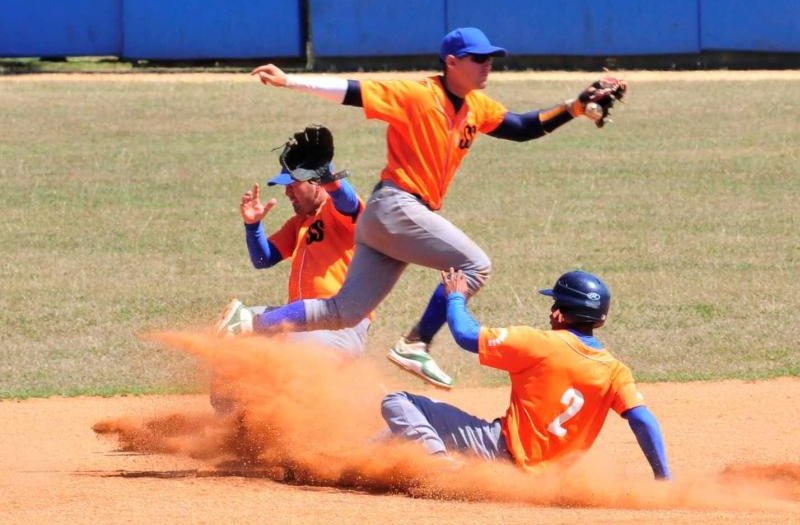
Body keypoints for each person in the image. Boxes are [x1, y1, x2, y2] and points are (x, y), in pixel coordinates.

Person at [235, 27, 627, 389]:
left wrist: (574, 107)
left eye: (490, 58)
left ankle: (252, 323)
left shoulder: (476, 106)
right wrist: (289, 81)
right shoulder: (419, 93)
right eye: (478, 58)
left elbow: (523, 128)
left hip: (389, 220)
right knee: (476, 265)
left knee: (345, 311)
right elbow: (353, 91)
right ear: (451, 62)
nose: (486, 64)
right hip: (397, 205)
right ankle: (416, 342)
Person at [380, 269, 671, 479]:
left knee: (397, 402)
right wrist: (663, 478)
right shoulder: (616, 371)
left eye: (554, 303)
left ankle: (439, 470)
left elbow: (465, 335)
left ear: (559, 313)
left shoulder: (540, 344)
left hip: (498, 450)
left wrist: (455, 298)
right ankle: (352, 464)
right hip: (546, 480)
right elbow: (643, 419)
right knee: (390, 438)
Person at [216, 125, 370, 356]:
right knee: (231, 332)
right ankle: (231, 394)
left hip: (339, 325)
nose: (287, 192)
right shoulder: (299, 223)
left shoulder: (339, 212)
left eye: (293, 185)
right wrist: (253, 225)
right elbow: (262, 259)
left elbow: (349, 204)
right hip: (299, 319)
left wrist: (329, 176)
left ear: (316, 182)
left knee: (288, 346)